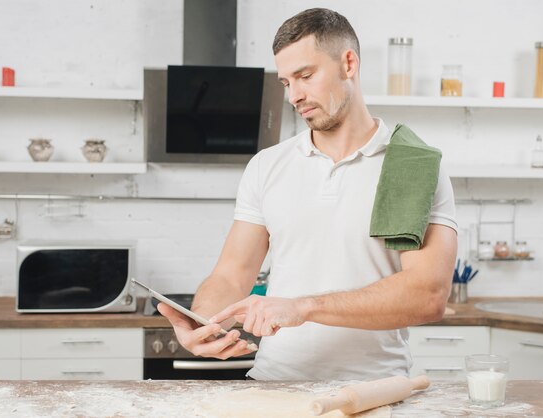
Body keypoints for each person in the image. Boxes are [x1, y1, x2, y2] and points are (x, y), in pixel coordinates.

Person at [158, 7, 458, 380]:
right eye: (286, 83)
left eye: (306, 75)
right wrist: (202, 321)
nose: (294, 96)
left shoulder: (414, 166)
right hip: (273, 384)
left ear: (348, 64)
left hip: (375, 389)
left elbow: (427, 295)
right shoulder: (268, 166)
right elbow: (232, 276)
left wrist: (304, 307)